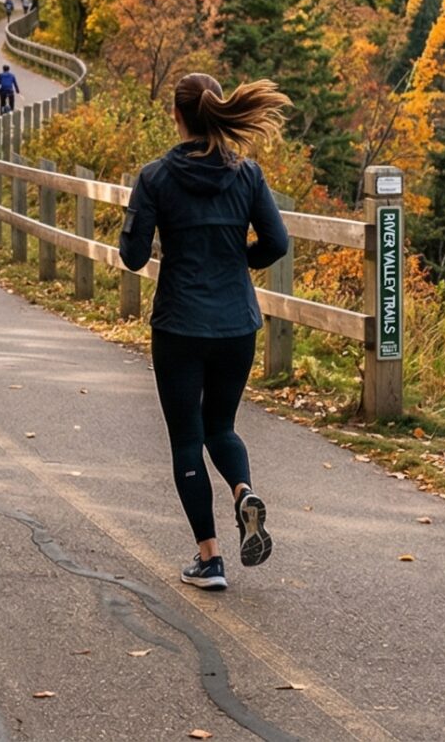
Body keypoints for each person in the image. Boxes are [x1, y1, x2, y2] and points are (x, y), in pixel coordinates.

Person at [117, 73, 291, 592]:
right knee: (221, 426)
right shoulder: (247, 173)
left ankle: (210, 559)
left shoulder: (155, 177)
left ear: (177, 115)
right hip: (237, 322)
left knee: (186, 438)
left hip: (180, 324)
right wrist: (238, 263)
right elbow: (276, 243)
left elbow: (131, 256)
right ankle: (242, 494)